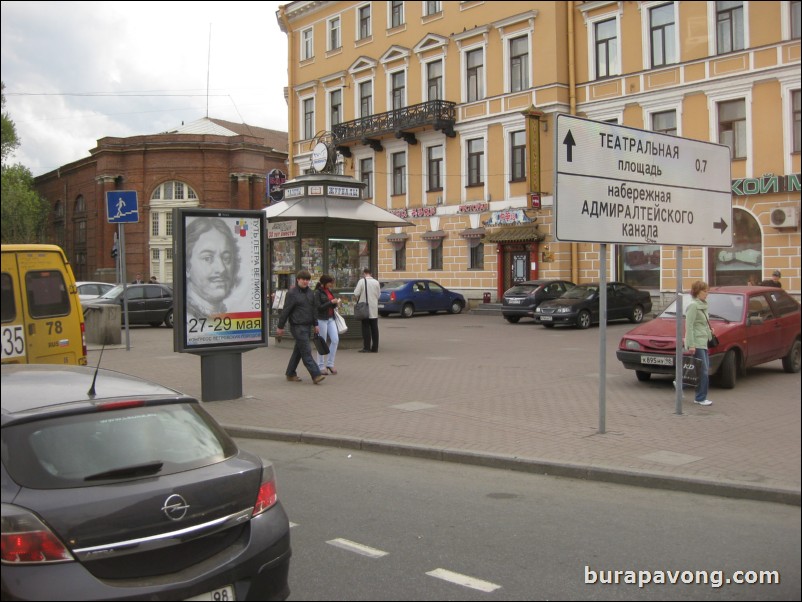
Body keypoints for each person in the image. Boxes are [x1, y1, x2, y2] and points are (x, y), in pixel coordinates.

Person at [276, 270, 326, 384]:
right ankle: (316, 374)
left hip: (307, 325)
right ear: (298, 279)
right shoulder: (292, 293)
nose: (305, 282)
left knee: (299, 351)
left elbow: (313, 310)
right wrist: (280, 326)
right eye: (303, 279)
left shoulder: (310, 293)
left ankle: (290, 373)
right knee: (306, 351)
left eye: (307, 280)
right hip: (297, 326)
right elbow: (286, 310)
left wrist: (316, 324)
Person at [185, 217, 240, 319]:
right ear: (187, 266)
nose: (221, 268)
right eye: (207, 258)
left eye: (226, 258)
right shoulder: (188, 317)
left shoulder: (225, 312)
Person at [684, 280, 713, 406]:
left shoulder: (703, 304)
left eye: (707, 291)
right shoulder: (693, 305)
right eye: (705, 291)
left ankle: (680, 383)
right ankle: (700, 398)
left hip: (703, 341)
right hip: (696, 342)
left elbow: (702, 324)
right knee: (703, 371)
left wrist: (710, 333)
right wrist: (691, 344)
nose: (707, 294)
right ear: (697, 292)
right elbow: (689, 326)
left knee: (701, 370)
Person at [314, 275, 341, 374]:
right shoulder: (317, 292)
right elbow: (318, 307)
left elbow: (331, 304)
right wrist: (330, 302)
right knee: (322, 342)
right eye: (330, 282)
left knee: (335, 339)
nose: (331, 284)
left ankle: (330, 363)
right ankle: (320, 365)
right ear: (324, 282)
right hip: (322, 319)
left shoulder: (328, 291)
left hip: (330, 318)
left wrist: (335, 303)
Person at [353, 267, 381, 353]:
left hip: (364, 308)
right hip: (374, 308)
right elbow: (378, 295)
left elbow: (356, 293)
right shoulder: (376, 282)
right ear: (371, 273)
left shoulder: (362, 281)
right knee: (374, 328)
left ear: (364, 273)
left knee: (365, 328)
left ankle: (366, 347)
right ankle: (375, 347)